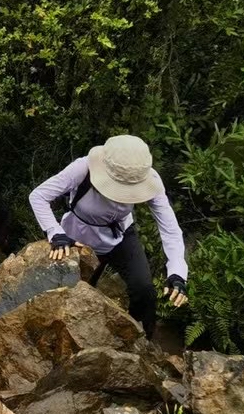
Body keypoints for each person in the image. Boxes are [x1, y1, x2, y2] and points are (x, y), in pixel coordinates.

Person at [28, 134, 189, 339]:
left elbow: (170, 228)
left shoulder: (149, 179)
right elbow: (39, 196)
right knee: (73, 293)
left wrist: (177, 273)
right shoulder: (83, 168)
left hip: (120, 236)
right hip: (78, 237)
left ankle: (142, 344)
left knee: (144, 289)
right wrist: (55, 233)